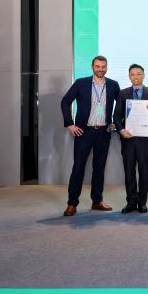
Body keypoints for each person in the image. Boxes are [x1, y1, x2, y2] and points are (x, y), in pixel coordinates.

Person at [60, 55, 120, 216]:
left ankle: (97, 201)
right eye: (97, 66)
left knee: (99, 168)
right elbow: (65, 101)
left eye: (103, 66)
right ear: (92, 67)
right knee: (78, 168)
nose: (100, 69)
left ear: (107, 67)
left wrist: (117, 123)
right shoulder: (81, 83)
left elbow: (121, 106)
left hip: (104, 132)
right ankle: (72, 203)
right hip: (84, 132)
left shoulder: (113, 85)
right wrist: (70, 123)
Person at [113, 64, 148, 214]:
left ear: (143, 75)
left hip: (145, 139)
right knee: (129, 171)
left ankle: (142, 203)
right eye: (133, 74)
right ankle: (131, 202)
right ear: (129, 76)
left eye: (138, 74)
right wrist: (121, 130)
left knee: (144, 171)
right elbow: (116, 115)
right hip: (128, 138)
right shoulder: (123, 93)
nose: (136, 77)